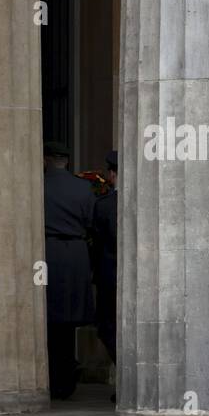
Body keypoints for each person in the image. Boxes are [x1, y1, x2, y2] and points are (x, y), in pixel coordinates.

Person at [42, 143, 95, 400]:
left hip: (47, 252)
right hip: (76, 256)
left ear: (46, 160)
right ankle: (65, 374)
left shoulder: (39, 184)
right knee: (68, 319)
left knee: (50, 318)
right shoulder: (83, 187)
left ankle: (56, 376)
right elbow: (91, 222)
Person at [91, 150, 119, 378]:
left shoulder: (104, 205)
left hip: (110, 275)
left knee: (107, 327)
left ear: (112, 175)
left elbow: (98, 242)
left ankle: (128, 379)